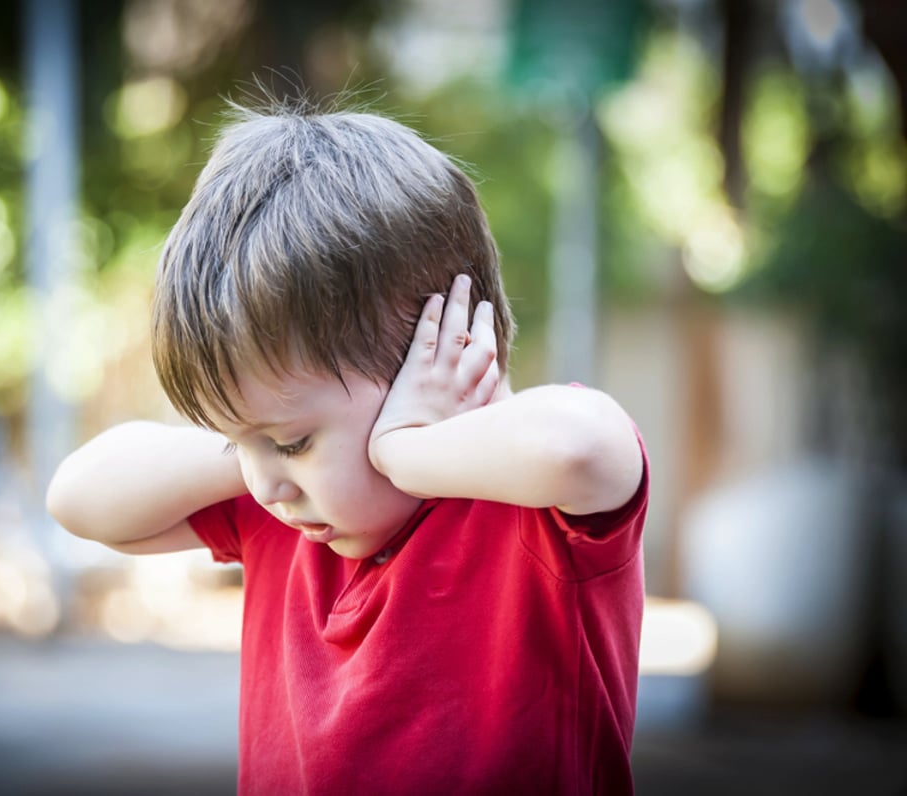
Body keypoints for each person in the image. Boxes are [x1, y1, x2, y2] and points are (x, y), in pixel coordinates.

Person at [46, 101, 649, 795]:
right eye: (243, 442)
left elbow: (583, 446)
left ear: (439, 352)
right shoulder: (280, 509)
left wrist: (404, 449)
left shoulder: (533, 513)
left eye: (295, 440)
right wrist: (258, 441)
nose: (268, 482)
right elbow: (78, 496)